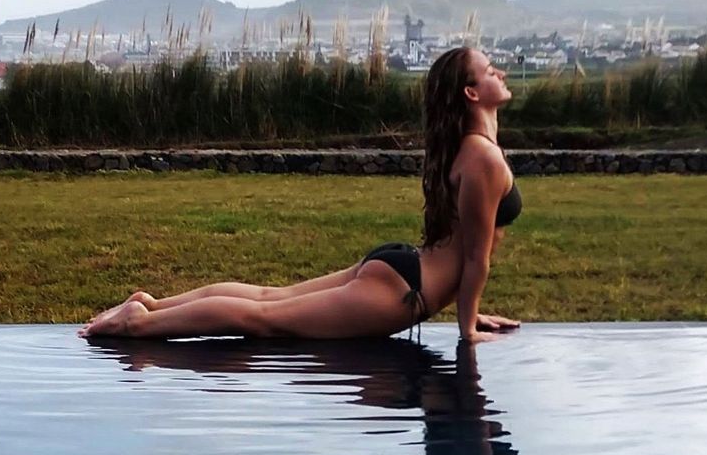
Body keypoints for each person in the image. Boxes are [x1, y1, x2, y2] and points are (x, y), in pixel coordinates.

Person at [77, 45, 524, 343]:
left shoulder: (467, 149)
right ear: (471, 92)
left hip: (403, 268)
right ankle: (142, 322)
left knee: (270, 298)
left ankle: (151, 304)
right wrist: (467, 329)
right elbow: (474, 258)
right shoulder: (483, 158)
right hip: (405, 290)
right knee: (265, 319)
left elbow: (462, 246)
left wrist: (472, 310)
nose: (500, 72)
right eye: (489, 71)